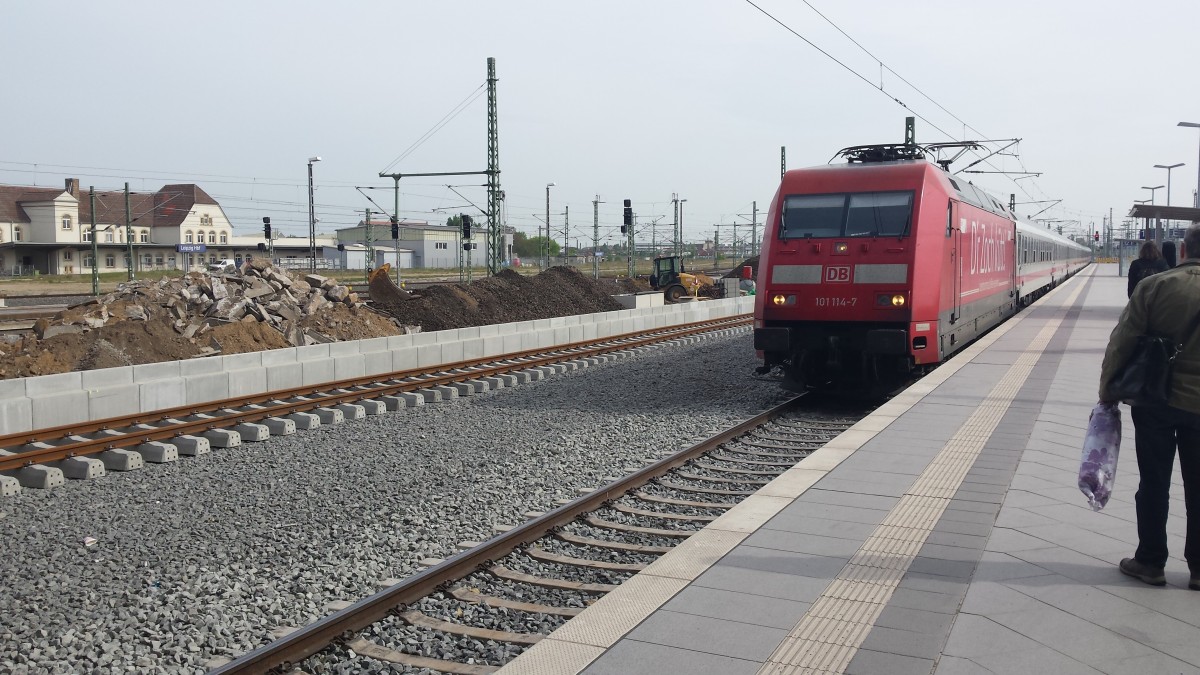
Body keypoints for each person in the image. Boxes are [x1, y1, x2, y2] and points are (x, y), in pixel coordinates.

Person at [1099, 224, 1200, 588]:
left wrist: (1107, 389)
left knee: (1154, 482)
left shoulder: (1155, 286)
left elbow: (1122, 341)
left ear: (1183, 252)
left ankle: (1151, 561)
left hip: (1155, 398)